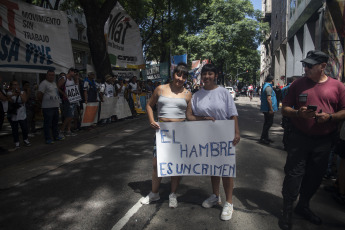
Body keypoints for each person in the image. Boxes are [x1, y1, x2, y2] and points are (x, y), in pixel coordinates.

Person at [278, 50, 345, 230]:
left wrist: (330, 117)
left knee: (314, 177)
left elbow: (344, 110)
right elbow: (284, 108)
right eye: (304, 64)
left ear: (323, 66)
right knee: (293, 175)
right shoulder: (298, 84)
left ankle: (304, 206)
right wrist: (297, 113)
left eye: (309, 65)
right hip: (299, 139)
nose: (305, 68)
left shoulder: (338, 87)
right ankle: (288, 210)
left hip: (324, 141)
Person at [186, 63, 240, 221]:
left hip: (224, 136)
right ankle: (216, 196)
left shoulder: (223, 93)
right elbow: (190, 116)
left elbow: (232, 114)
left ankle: (229, 202)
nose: (207, 76)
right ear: (201, 76)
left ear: (216, 75)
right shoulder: (196, 96)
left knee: (226, 170)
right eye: (204, 74)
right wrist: (202, 118)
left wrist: (236, 132)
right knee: (213, 168)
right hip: (205, 137)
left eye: (210, 74)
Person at [141, 62, 192, 208]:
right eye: (178, 74)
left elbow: (190, 115)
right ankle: (154, 193)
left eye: (184, 76)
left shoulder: (188, 94)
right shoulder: (160, 89)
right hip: (162, 132)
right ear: (173, 74)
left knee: (175, 165)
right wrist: (151, 120)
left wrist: (206, 121)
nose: (180, 78)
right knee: (157, 165)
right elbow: (149, 105)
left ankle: (173, 194)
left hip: (179, 132)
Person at [37, 69, 64, 144]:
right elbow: (39, 95)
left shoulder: (54, 83)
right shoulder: (44, 83)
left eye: (53, 75)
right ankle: (48, 138)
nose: (51, 76)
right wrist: (43, 102)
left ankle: (56, 136)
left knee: (55, 123)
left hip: (55, 106)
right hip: (47, 108)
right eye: (50, 75)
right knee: (47, 124)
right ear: (47, 75)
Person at [6, 80, 31, 149]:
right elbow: (9, 100)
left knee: (24, 128)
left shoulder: (22, 92)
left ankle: (25, 139)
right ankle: (16, 142)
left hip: (22, 112)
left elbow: (24, 100)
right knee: (15, 129)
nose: (15, 86)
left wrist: (19, 93)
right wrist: (13, 94)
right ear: (11, 86)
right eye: (14, 85)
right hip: (14, 113)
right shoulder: (9, 93)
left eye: (16, 84)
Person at [281, 76, 300, 150]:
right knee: (291, 128)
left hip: (286, 109)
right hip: (292, 111)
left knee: (286, 127)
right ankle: (289, 144)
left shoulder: (284, 89)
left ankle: (285, 143)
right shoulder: (293, 88)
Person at [58, 68, 79, 137]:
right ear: (70, 71)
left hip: (73, 99)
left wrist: (76, 78)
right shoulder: (64, 78)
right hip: (66, 99)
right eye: (74, 72)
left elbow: (76, 86)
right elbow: (57, 86)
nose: (75, 74)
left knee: (71, 116)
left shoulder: (73, 79)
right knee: (69, 116)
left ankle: (68, 130)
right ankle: (61, 130)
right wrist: (63, 93)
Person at [259, 75, 278, 145]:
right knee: (268, 124)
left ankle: (266, 137)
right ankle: (263, 138)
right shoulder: (268, 87)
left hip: (266, 108)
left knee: (267, 123)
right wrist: (271, 109)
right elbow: (269, 99)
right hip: (268, 109)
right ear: (272, 80)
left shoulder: (266, 86)